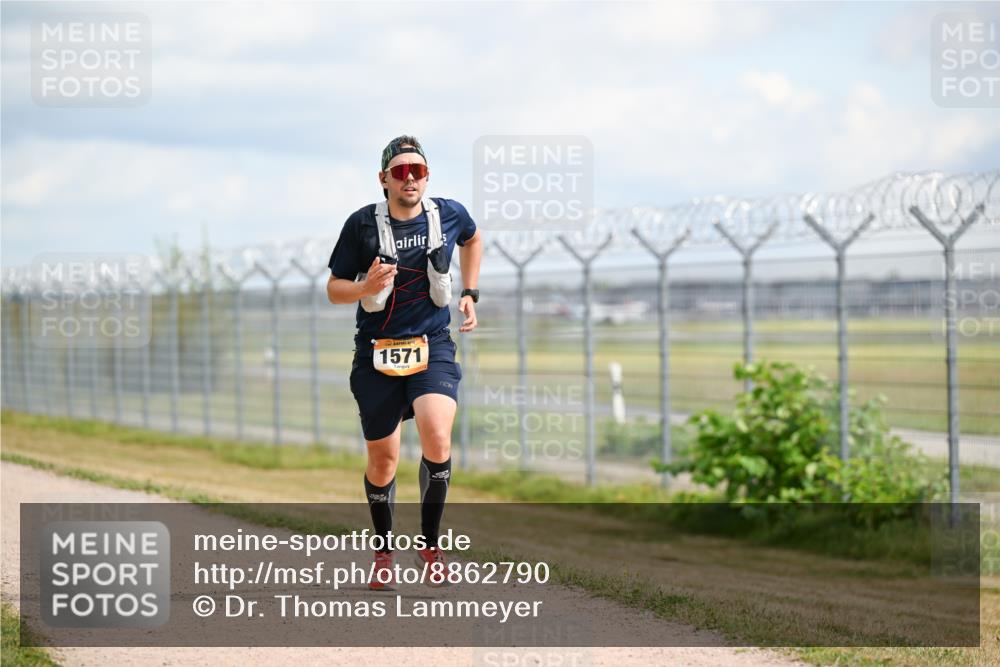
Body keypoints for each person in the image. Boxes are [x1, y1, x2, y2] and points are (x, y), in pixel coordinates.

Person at [326, 135, 482, 589]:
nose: (409, 178)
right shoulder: (362, 225)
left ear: (427, 175)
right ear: (384, 179)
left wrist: (470, 292)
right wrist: (363, 286)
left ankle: (431, 549)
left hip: (432, 344)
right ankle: (383, 552)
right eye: (400, 171)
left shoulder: (449, 214)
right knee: (384, 461)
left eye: (417, 170)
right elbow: (334, 287)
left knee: (437, 435)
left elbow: (473, 240)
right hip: (376, 351)